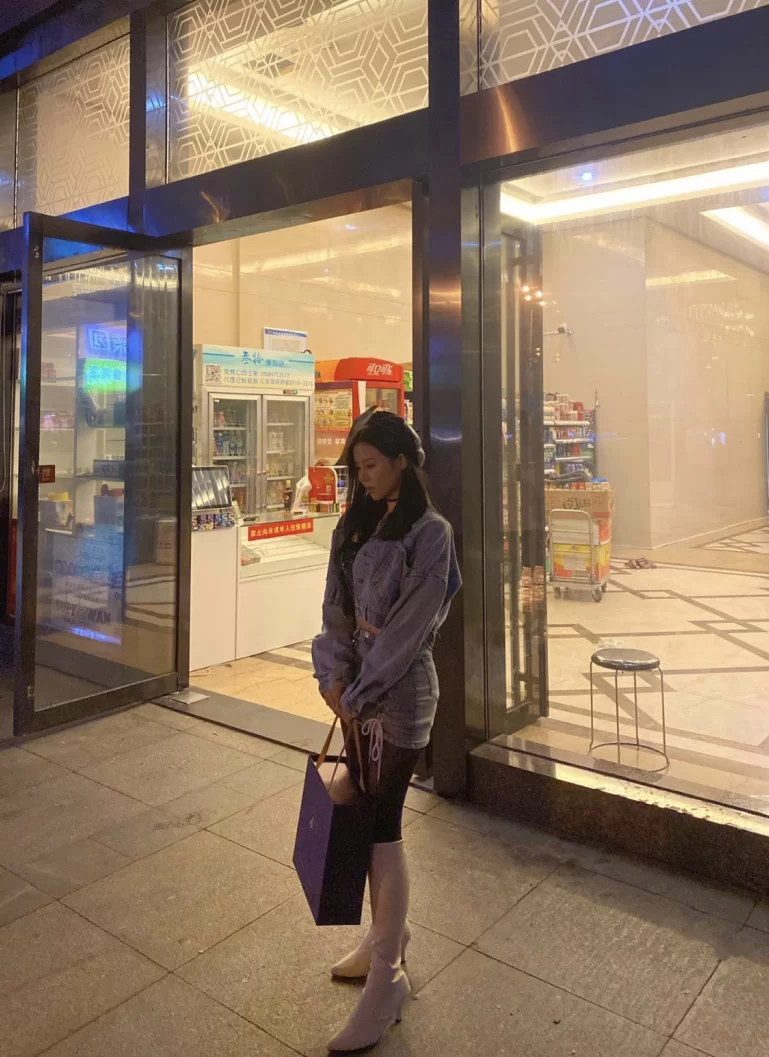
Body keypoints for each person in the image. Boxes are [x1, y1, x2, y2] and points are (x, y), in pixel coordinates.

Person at [312, 410, 461, 1053]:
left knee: (382, 824)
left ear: (403, 461)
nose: (363, 478)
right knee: (369, 819)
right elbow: (335, 606)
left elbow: (409, 630)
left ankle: (386, 975)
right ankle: (386, 938)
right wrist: (332, 674)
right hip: (356, 693)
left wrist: (358, 691)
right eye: (357, 468)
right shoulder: (355, 522)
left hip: (399, 698)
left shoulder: (431, 534)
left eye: (371, 465)